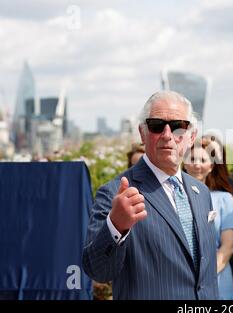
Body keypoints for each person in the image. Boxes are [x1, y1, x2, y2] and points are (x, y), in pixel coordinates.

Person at [82, 91, 219, 299]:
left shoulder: (200, 191)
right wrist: (116, 226)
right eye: (156, 125)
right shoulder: (115, 193)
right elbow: (98, 271)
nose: (167, 134)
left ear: (191, 136)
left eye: (177, 126)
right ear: (142, 133)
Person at [184, 138, 233, 299]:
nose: (197, 165)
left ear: (211, 166)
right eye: (192, 159)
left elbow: (228, 246)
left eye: (203, 160)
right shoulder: (174, 198)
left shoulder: (224, 199)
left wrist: (203, 277)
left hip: (217, 278)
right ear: (184, 164)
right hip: (182, 280)